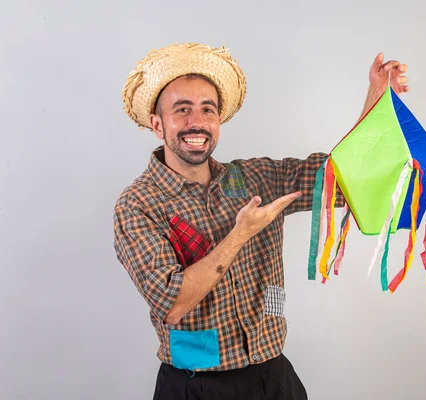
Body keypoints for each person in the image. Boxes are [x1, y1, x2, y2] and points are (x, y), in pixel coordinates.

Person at [113, 43, 409, 400]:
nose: (197, 122)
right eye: (182, 110)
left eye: (208, 109)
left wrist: (376, 97)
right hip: (197, 385)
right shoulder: (138, 204)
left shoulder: (256, 178)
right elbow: (171, 304)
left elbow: (341, 177)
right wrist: (240, 234)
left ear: (218, 121)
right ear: (158, 125)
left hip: (274, 378)